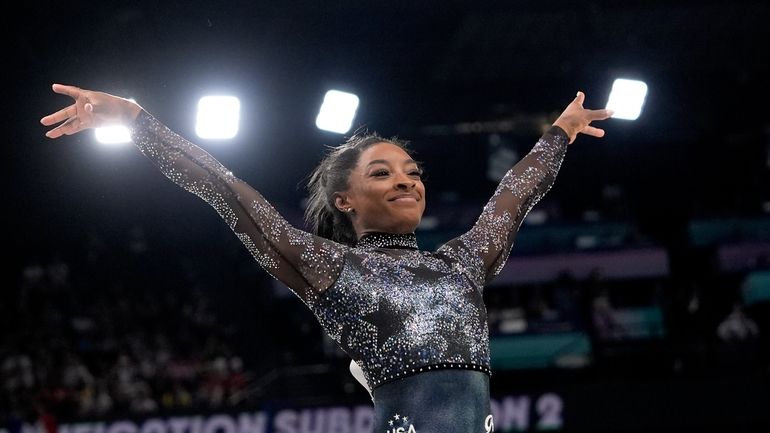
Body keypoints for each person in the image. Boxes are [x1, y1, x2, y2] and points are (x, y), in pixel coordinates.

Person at [41, 83, 611, 432]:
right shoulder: (332, 267)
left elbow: (512, 198)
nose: (407, 182)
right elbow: (227, 190)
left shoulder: (460, 265)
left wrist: (558, 133)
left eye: (414, 173)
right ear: (345, 199)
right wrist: (139, 121)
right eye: (382, 173)